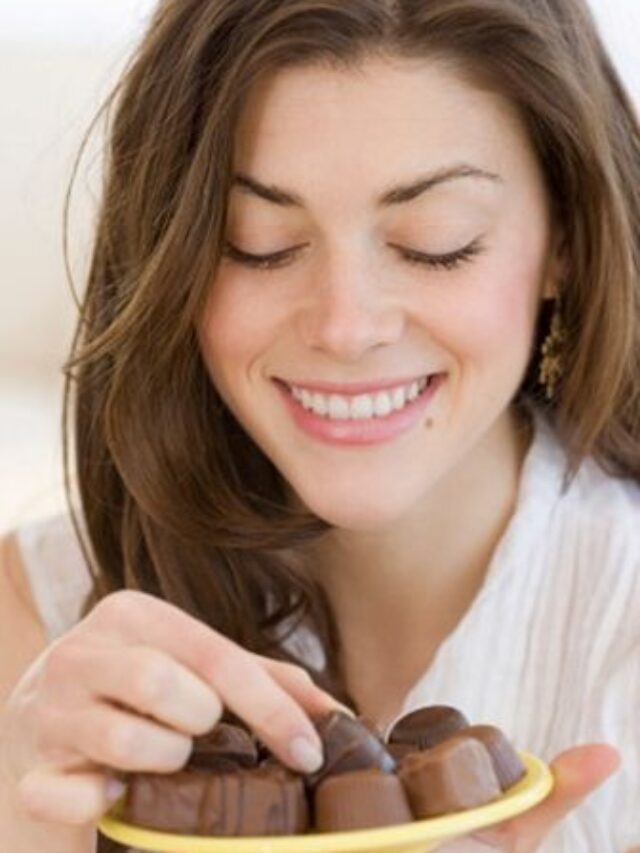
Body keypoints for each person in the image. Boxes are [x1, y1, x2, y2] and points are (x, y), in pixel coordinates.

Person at [0, 0, 639, 850]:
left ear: (566, 239)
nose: (345, 326)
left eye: (435, 242)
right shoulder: (40, 629)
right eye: (257, 241)